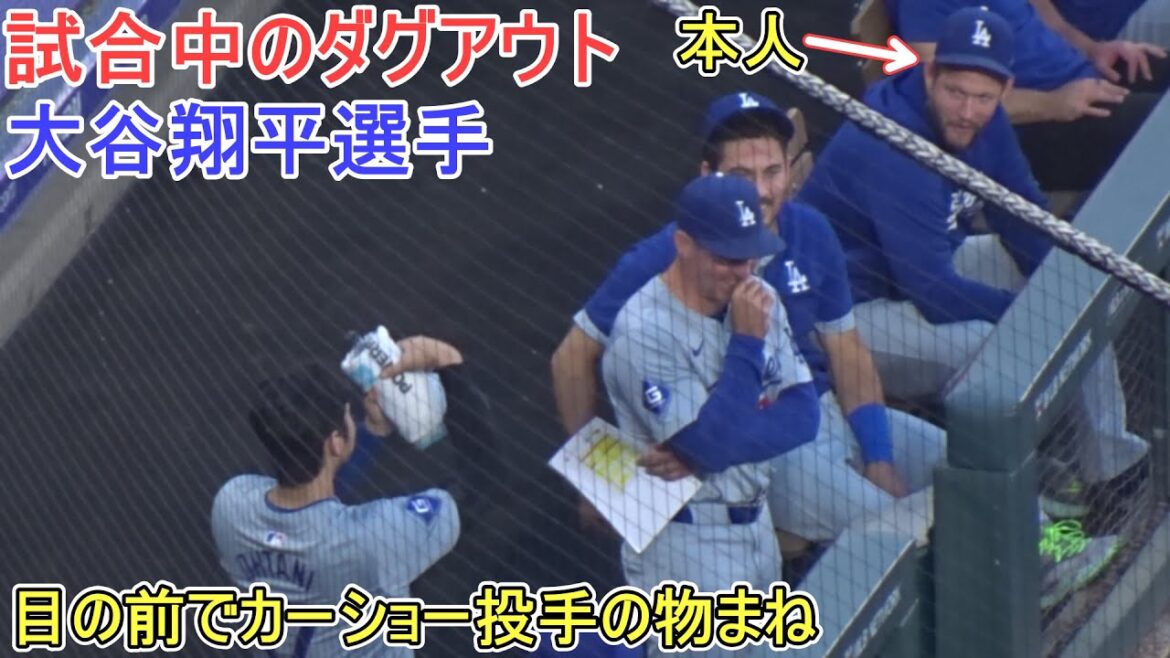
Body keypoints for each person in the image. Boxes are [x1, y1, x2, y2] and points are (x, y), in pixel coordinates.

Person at [551, 91, 947, 576]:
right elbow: (571, 356)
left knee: (965, 467)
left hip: (816, 409)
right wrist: (599, 479)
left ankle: (1058, 559)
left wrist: (879, 453)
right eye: (742, 176)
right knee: (895, 532)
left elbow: (846, 351)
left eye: (772, 172)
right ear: (708, 175)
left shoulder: (812, 232)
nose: (761, 191)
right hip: (759, 459)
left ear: (792, 169)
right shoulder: (669, 257)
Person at [797, 8, 1148, 531]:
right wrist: (1036, 315)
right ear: (929, 75)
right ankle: (1027, 495)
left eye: (983, 98)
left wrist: (1058, 294)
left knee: (1069, 279)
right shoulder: (894, 145)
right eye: (955, 92)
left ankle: (1108, 471)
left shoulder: (986, 119)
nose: (967, 110)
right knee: (988, 341)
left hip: (917, 270)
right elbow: (935, 293)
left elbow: (1022, 214)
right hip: (847, 318)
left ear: (1005, 89)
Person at [599, 173, 820, 657]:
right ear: (683, 244)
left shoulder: (758, 297)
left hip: (759, 527)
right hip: (687, 549)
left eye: (748, 256)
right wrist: (746, 344)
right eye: (725, 258)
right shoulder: (642, 333)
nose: (742, 273)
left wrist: (702, 451)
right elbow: (712, 443)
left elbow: (805, 416)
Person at [210, 363, 459, 658]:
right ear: (337, 442)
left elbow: (309, 487)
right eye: (347, 415)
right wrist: (452, 367)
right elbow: (476, 487)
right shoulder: (370, 541)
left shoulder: (231, 505)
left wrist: (373, 432)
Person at [890, 0, 1168, 191]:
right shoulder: (921, 5)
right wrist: (1052, 104)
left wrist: (1093, 49)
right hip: (1036, 123)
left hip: (1082, 74)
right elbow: (940, 97)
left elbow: (1047, 17)